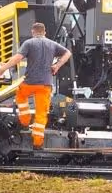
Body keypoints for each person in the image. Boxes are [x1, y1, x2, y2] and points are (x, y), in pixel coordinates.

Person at [4, 19, 72, 150]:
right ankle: (37, 143)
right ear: (44, 32)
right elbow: (68, 53)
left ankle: (24, 121)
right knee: (41, 113)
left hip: (29, 83)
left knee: (20, 96)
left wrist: (2, 69)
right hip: (45, 85)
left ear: (32, 32)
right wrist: (57, 65)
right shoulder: (52, 44)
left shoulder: (29, 43)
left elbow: (17, 58)